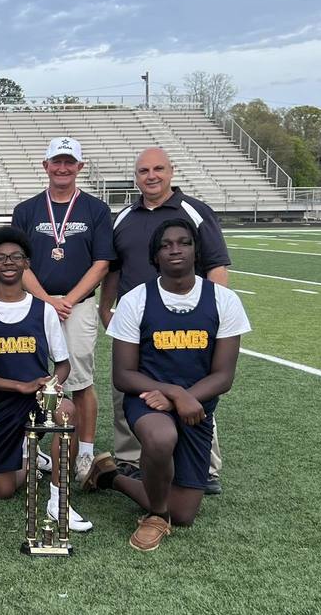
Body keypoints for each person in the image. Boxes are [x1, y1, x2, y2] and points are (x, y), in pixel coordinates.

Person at [86, 218, 250, 551]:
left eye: (184, 242)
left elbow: (224, 375)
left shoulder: (224, 300)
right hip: (147, 399)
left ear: (196, 250)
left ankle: (109, 475)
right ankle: (157, 516)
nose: (175, 249)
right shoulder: (136, 300)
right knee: (162, 438)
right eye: (166, 245)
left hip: (196, 407)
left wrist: (184, 398)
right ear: (155, 256)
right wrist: (175, 393)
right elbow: (123, 375)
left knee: (185, 514)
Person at [99, 147, 232, 493]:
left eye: (158, 169)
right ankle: (132, 460)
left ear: (172, 171)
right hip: (136, 322)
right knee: (127, 391)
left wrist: (210, 314)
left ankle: (206, 468)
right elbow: (114, 267)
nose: (151, 176)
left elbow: (215, 264)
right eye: (143, 171)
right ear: (136, 176)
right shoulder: (124, 216)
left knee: (195, 393)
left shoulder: (195, 211)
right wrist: (105, 306)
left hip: (186, 320)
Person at [0, 227, 91, 531]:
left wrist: (51, 386)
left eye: (16, 257)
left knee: (67, 411)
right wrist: (18, 386)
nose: (8, 262)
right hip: (1, 402)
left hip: (38, 399)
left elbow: (63, 364)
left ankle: (59, 500)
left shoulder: (44, 310)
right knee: (3, 490)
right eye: (0, 258)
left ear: (26, 264)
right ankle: (28, 455)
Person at [12, 137, 114, 481]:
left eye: (70, 162)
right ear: (45, 166)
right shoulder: (26, 210)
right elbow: (17, 262)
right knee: (32, 375)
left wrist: (67, 300)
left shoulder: (96, 210)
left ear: (80, 167)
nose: (62, 168)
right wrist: (47, 300)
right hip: (35, 304)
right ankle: (35, 448)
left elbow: (101, 262)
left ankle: (85, 450)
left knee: (81, 380)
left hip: (78, 305)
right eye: (57, 161)